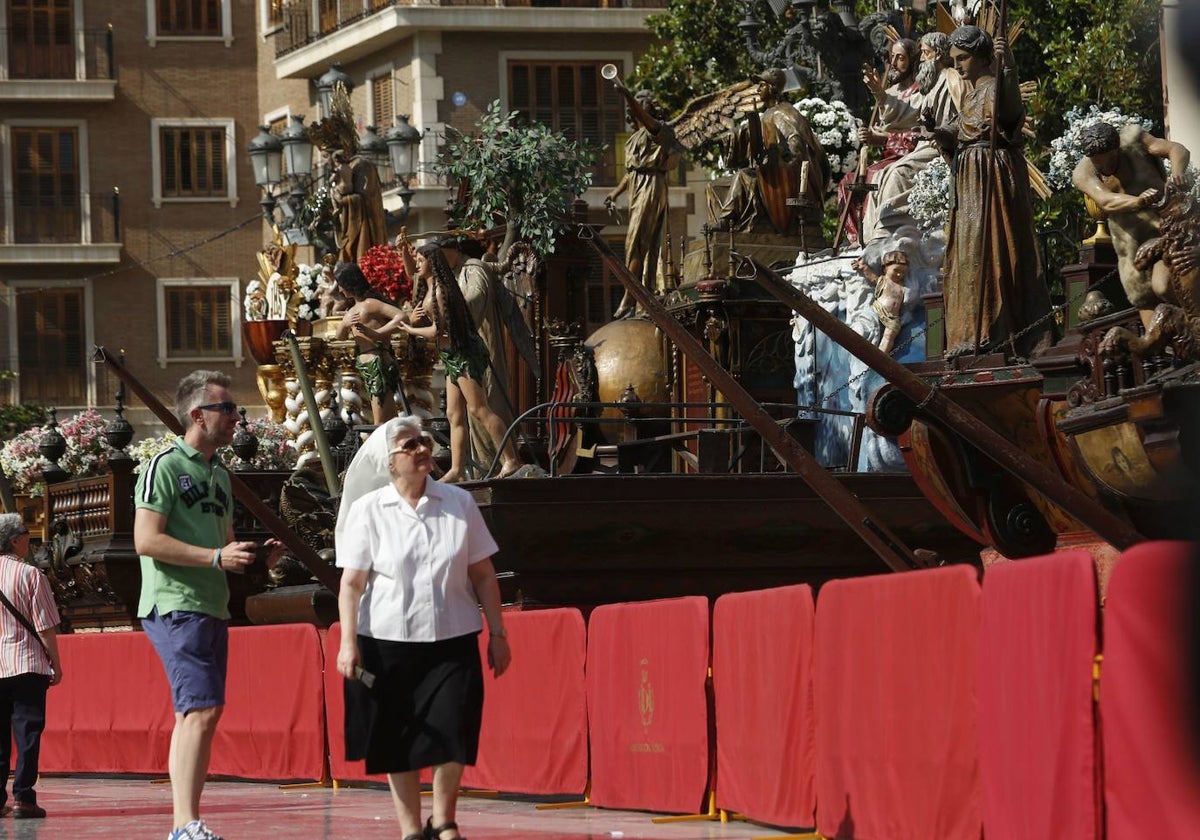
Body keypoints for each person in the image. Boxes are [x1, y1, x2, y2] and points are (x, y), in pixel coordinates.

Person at [335, 416, 511, 840]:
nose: (421, 450)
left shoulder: (457, 502)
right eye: (409, 445)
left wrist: (498, 633)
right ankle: (411, 830)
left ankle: (445, 820)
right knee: (398, 738)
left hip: (452, 639)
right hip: (387, 642)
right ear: (390, 462)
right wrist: (347, 642)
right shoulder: (369, 511)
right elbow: (352, 584)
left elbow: (484, 575)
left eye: (424, 442)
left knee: (454, 730)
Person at [134, 370, 281, 840]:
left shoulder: (219, 474)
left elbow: (225, 545)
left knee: (195, 713)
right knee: (201, 710)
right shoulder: (164, 466)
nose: (238, 416)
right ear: (198, 415)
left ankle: (185, 823)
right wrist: (216, 557)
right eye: (228, 409)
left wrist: (254, 556)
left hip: (210, 603)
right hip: (176, 603)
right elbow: (145, 540)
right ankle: (184, 825)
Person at [936, 25, 1052, 361]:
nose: (957, 66)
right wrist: (934, 130)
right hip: (968, 178)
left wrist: (1009, 66)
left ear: (983, 56)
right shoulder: (971, 96)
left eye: (963, 58)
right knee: (968, 255)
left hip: (993, 178)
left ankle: (995, 332)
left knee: (994, 249)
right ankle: (969, 332)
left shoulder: (996, 87)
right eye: (953, 59)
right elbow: (958, 131)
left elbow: (1010, 112)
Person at [399, 241, 522, 482]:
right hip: (451, 356)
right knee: (454, 414)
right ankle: (456, 470)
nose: (417, 264)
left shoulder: (441, 291)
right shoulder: (429, 288)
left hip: (464, 353)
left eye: (421, 260)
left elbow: (437, 331)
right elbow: (409, 274)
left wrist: (409, 329)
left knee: (478, 409)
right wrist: (413, 320)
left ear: (433, 263)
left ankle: (511, 459)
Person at [1071, 120, 1191, 330]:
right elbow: (1105, 200)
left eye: (1105, 162)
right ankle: (1170, 352)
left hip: (1165, 230)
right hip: (1130, 243)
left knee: (1163, 286)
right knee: (1144, 299)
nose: (1100, 167)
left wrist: (1178, 172)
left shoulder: (1134, 140)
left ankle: (1190, 329)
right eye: (1095, 161)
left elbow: (1177, 149)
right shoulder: (1083, 173)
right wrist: (1137, 201)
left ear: (1116, 150)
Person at [861, 32, 965, 243]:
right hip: (925, 146)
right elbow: (908, 115)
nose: (922, 59)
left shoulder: (950, 79)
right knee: (880, 176)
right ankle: (874, 236)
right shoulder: (933, 83)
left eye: (926, 53)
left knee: (899, 172)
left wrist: (939, 132)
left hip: (940, 147)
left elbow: (959, 119)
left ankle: (890, 233)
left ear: (937, 55)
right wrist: (880, 94)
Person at [708, 69, 829, 236]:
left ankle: (727, 220)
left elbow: (797, 146)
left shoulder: (783, 112)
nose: (758, 90)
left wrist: (777, 157)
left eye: (762, 85)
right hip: (765, 173)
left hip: (786, 177)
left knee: (743, 176)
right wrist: (723, 140)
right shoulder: (767, 114)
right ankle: (723, 230)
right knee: (715, 187)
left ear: (772, 88)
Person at [0, 514, 62, 820]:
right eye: (26, 533)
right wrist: (56, 663)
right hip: (26, 664)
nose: (30, 538)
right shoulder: (31, 575)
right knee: (27, 735)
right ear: (14, 540)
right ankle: (24, 797)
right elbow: (45, 626)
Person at [836, 38, 921, 246]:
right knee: (848, 181)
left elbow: (917, 133)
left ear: (913, 61)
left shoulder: (921, 92)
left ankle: (875, 235)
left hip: (911, 156)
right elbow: (885, 126)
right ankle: (856, 239)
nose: (893, 63)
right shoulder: (890, 92)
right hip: (889, 156)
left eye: (900, 58)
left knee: (878, 177)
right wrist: (870, 135)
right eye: (891, 57)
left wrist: (883, 137)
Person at [605, 86, 679, 319]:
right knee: (637, 245)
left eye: (641, 101)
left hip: (651, 185)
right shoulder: (634, 139)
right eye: (634, 101)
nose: (634, 104)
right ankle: (638, 295)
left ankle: (630, 297)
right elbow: (631, 172)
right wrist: (614, 193)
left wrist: (626, 95)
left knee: (635, 242)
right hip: (638, 185)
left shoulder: (659, 129)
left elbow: (645, 120)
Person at [334, 261, 407, 424]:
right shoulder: (352, 310)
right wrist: (345, 324)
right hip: (366, 367)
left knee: (381, 419)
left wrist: (377, 333)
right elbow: (339, 336)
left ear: (350, 283)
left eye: (341, 285)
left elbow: (402, 317)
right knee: (380, 417)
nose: (339, 290)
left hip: (378, 364)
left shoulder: (369, 304)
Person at [328, 147, 388, 265]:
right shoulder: (347, 166)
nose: (326, 162)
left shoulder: (362, 165)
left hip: (362, 225)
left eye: (326, 156)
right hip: (348, 222)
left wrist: (342, 201)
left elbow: (365, 198)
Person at [853, 249, 910, 354]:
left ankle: (881, 355)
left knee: (889, 336)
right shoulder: (884, 280)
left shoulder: (902, 285)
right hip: (879, 309)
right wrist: (863, 266)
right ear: (885, 269)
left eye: (902, 272)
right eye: (896, 270)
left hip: (893, 317)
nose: (899, 275)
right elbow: (871, 277)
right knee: (873, 329)